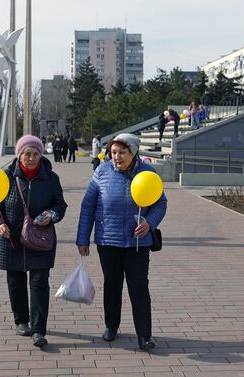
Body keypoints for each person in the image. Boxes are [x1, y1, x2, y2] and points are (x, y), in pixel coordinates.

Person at [76, 133, 167, 351]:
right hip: (108, 241)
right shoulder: (101, 172)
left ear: (133, 153)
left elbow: (160, 204)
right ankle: (111, 326)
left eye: (122, 153)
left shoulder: (148, 173)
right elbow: (88, 206)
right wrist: (83, 238)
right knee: (112, 286)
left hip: (138, 243)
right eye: (114, 152)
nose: (117, 157)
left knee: (139, 288)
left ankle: (144, 335)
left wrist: (150, 223)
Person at [0, 135, 67, 348]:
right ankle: (21, 321)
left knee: (40, 283)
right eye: (27, 154)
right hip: (11, 238)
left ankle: (39, 329)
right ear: (19, 155)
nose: (31, 158)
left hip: (40, 238)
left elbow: (60, 205)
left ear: (41, 155)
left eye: (36, 154)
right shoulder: (6, 177)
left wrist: (51, 214)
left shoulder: (51, 178)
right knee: (16, 281)